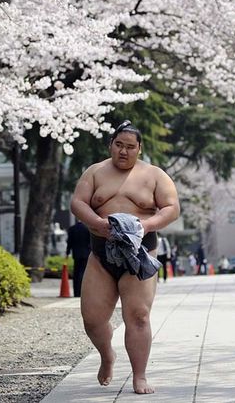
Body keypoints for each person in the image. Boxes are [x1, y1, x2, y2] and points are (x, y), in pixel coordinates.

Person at [71, 120, 180, 395]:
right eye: (119, 145)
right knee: (92, 319)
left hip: (139, 251)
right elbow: (78, 203)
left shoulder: (155, 175)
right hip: (101, 250)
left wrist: (147, 225)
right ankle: (107, 355)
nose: (123, 151)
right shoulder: (95, 172)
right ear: (111, 145)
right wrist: (97, 221)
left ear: (139, 149)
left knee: (139, 315)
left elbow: (171, 208)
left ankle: (139, 376)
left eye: (130, 147)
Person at [66, 220, 91, 297]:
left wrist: (67, 253)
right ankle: (83, 292)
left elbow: (69, 242)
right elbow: (90, 242)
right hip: (86, 253)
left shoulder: (72, 229)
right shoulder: (87, 228)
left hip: (76, 254)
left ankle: (76, 292)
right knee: (83, 272)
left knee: (76, 273)